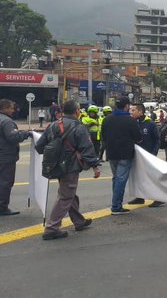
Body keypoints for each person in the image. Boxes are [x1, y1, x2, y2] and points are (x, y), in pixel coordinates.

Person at [35, 99, 102, 240]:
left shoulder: (53, 125)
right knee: (66, 196)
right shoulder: (78, 127)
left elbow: (39, 146)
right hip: (70, 167)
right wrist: (95, 166)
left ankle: (79, 221)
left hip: (55, 166)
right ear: (77, 111)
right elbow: (87, 148)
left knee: (68, 192)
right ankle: (52, 228)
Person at [100, 97, 143, 215]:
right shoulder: (130, 120)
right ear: (126, 106)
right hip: (125, 154)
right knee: (121, 179)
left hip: (111, 153)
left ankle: (116, 204)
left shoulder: (107, 119)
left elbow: (103, 136)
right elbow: (138, 138)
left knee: (116, 178)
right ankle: (116, 206)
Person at [127, 104, 164, 208]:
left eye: (133, 110)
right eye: (130, 110)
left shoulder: (150, 124)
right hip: (137, 155)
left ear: (140, 112)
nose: (131, 112)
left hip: (149, 156)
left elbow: (157, 140)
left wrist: (153, 153)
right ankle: (140, 197)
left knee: (151, 178)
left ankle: (159, 198)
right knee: (138, 177)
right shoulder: (133, 123)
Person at [0, 99, 31, 216]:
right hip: (5, 157)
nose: (13, 110)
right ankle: (2, 207)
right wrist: (26, 133)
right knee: (5, 182)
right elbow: (12, 137)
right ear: (5, 108)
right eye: (11, 108)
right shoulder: (7, 121)